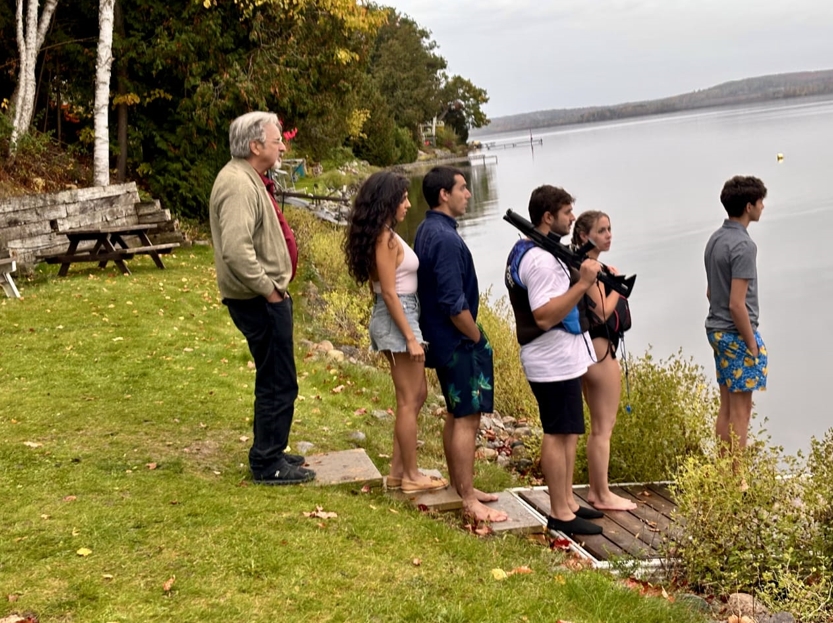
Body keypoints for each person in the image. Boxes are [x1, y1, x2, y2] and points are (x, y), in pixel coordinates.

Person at [209, 111, 315, 485]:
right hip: (258, 299)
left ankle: (272, 449)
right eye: (276, 141)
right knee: (277, 380)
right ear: (255, 146)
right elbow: (236, 250)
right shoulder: (238, 184)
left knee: (277, 376)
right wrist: (269, 290)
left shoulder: (248, 178)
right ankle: (268, 463)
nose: (283, 147)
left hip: (263, 297)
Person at [505, 185, 604, 535]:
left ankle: (568, 501)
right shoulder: (540, 260)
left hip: (559, 358)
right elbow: (544, 315)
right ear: (548, 217)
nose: (573, 218)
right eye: (566, 213)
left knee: (569, 431)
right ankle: (560, 512)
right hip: (550, 359)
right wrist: (583, 284)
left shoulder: (537, 249)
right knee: (557, 432)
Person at [343, 171, 448, 494]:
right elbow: (388, 293)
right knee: (408, 399)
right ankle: (411, 476)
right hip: (397, 315)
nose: (408, 204)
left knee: (417, 395)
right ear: (387, 202)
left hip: (401, 313)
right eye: (402, 199)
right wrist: (411, 339)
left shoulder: (385, 235)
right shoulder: (385, 239)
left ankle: (398, 472)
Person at [414, 166, 508, 523]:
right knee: (467, 417)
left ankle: (459, 487)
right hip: (455, 340)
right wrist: (476, 336)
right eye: (463, 188)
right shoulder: (445, 239)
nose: (468, 194)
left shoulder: (427, 229)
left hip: (441, 338)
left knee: (456, 415)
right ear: (444, 194)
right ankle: (468, 499)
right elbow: (454, 303)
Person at [571, 211, 637, 511]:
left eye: (609, 229)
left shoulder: (579, 263)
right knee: (603, 427)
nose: (608, 235)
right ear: (584, 236)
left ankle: (597, 489)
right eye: (601, 230)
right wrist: (619, 289)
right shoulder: (589, 268)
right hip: (601, 353)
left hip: (587, 351)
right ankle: (601, 493)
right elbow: (600, 312)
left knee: (598, 426)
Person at [705, 175, 768, 451]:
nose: (763, 206)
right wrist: (751, 344)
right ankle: (737, 474)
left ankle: (724, 469)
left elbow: (711, 293)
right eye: (760, 201)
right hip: (736, 333)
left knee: (727, 407)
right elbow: (736, 304)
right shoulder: (744, 245)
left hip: (716, 330)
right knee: (741, 413)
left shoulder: (715, 239)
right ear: (748, 206)